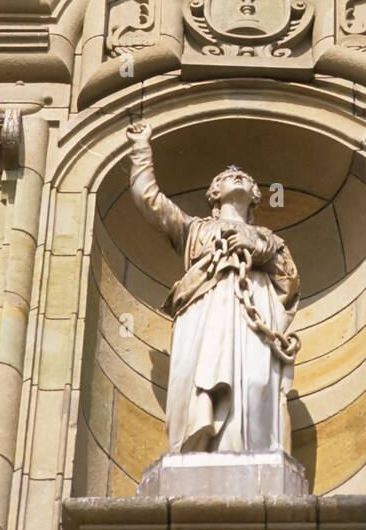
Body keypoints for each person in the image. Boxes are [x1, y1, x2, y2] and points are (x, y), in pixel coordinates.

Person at [127, 120, 300, 454]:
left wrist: (258, 246)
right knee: (193, 384)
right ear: (213, 194)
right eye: (224, 176)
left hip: (253, 315)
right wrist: (140, 150)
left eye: (245, 177)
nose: (235, 173)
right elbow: (149, 201)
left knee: (254, 382)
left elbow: (289, 283)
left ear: (255, 196)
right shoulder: (193, 229)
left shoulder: (272, 241)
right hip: (204, 312)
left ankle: (253, 449)